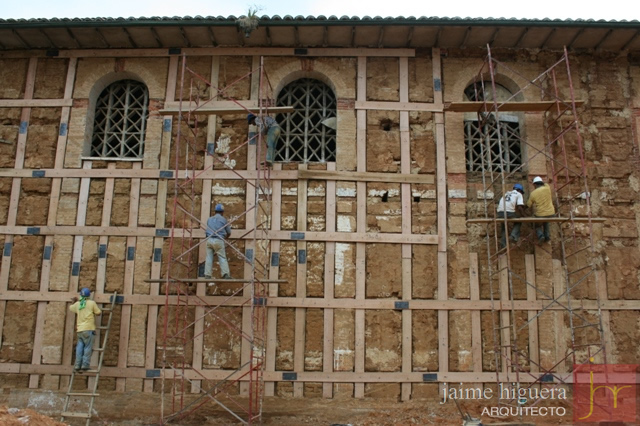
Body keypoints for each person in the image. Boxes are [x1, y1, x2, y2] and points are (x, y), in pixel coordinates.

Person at [69, 287, 101, 372]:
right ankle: (85, 365)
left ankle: (77, 365)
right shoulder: (91, 303)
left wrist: (74, 302)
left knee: (79, 348)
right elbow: (98, 313)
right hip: (89, 329)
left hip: (80, 330)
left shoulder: (78, 304)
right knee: (87, 347)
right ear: (89, 295)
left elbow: (71, 308)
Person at [205, 203, 232, 279]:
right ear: (222, 212)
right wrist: (226, 237)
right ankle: (225, 274)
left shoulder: (209, 219)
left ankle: (207, 275)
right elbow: (229, 232)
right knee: (222, 257)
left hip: (209, 240)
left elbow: (207, 230)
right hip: (218, 240)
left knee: (209, 257)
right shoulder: (224, 220)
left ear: (215, 211)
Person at [527, 176, 556, 244]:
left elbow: (528, 205)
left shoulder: (533, 193)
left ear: (535, 184)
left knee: (535, 223)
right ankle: (547, 237)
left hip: (541, 215)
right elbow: (545, 183)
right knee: (546, 221)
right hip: (551, 213)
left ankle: (540, 235)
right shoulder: (547, 187)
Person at [496, 183, 527, 249]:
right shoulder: (518, 194)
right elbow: (520, 207)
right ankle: (513, 236)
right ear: (520, 190)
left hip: (500, 213)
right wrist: (525, 216)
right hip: (509, 212)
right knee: (518, 220)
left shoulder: (506, 193)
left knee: (504, 226)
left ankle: (503, 244)